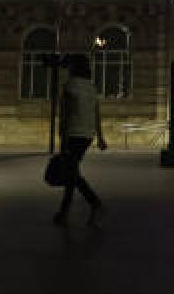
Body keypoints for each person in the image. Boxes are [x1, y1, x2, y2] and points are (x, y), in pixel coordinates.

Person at [54, 55, 107, 227]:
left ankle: (94, 203)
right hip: (87, 135)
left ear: (73, 68)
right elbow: (96, 114)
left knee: (72, 173)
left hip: (73, 133)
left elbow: (66, 113)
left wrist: (62, 133)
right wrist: (100, 137)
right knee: (72, 172)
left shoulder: (70, 86)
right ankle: (64, 212)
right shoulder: (92, 88)